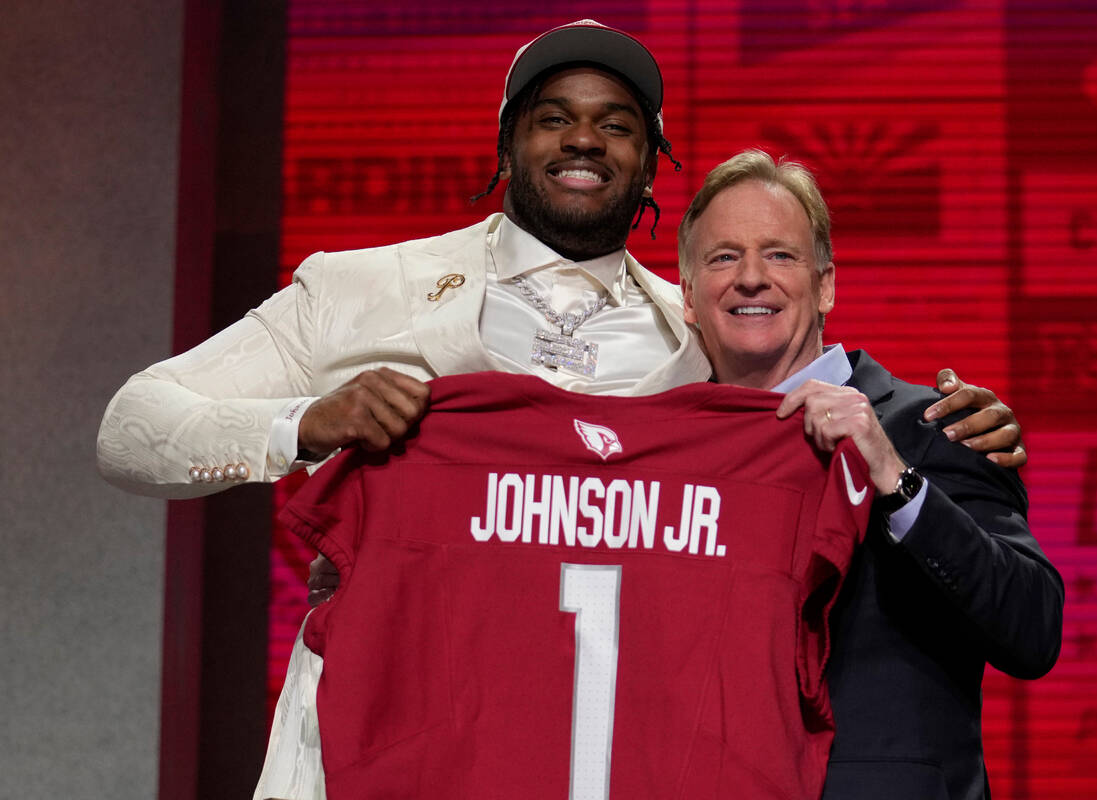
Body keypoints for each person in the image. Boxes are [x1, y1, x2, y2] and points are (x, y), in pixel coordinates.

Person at [95, 20, 1026, 800]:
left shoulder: (695, 320)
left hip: (616, 749)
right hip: (382, 735)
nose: (585, 141)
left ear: (653, 162)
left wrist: (950, 423)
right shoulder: (363, 290)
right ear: (508, 142)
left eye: (617, 124)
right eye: (555, 119)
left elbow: (802, 384)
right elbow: (131, 427)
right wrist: (300, 424)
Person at [677, 149, 1064, 800]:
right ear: (687, 296)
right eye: (723, 257)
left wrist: (895, 476)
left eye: (779, 254)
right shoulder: (669, 454)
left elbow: (1033, 630)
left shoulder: (937, 424)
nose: (750, 278)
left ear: (825, 283)